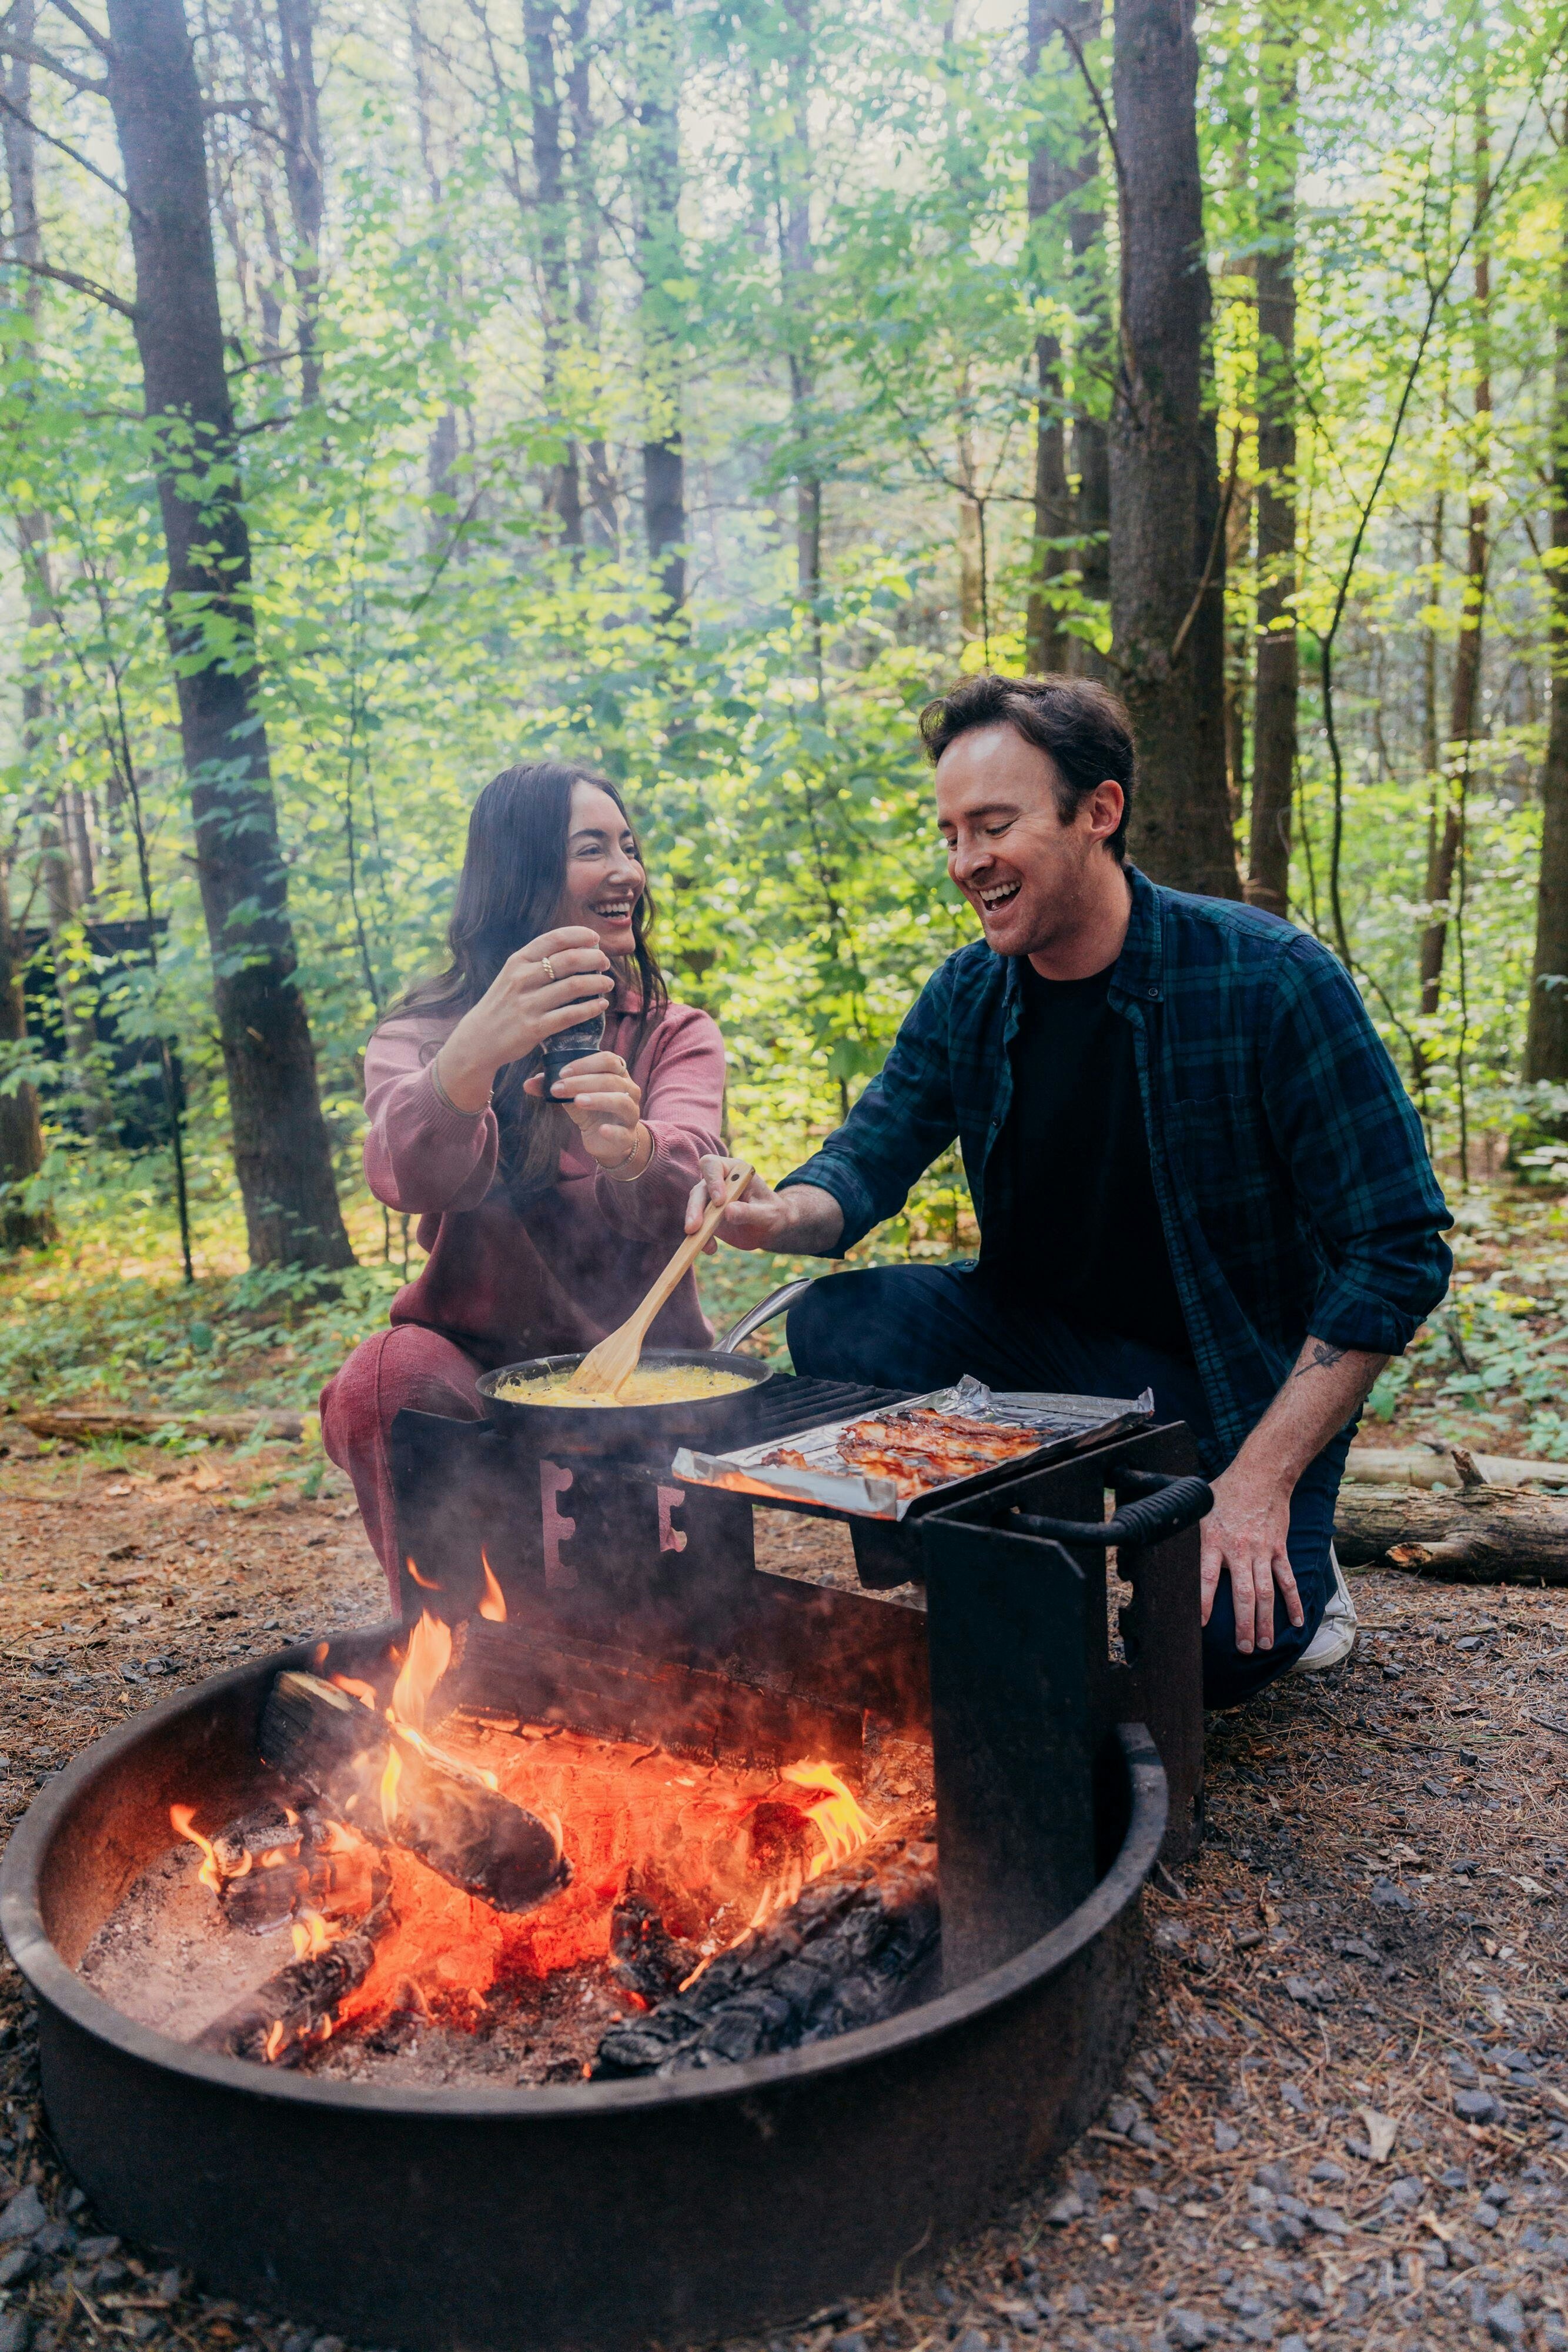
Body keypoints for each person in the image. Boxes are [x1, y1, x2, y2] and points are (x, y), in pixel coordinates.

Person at [686, 673, 1452, 1708]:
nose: (966, 863)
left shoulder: (1267, 980)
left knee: (1214, 1655)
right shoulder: (969, 993)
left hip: (1232, 1388)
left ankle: (1278, 1556)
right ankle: (998, 1550)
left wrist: (1261, 1485)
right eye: (951, 833)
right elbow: (866, 1161)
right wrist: (773, 1214)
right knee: (841, 1323)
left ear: (1099, 812)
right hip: (1038, 1354)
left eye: (994, 826)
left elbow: (1398, 1250)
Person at [322, 760, 726, 1600]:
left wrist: (630, 1148)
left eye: (628, 846)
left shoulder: (673, 1034)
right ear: (520, 873)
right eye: (591, 849)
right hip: (476, 1371)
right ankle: (445, 1643)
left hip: (645, 1375)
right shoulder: (426, 1035)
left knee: (636, 1622)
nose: (626, 871)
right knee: (379, 1377)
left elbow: (688, 1185)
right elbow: (407, 1177)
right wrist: (472, 1059)